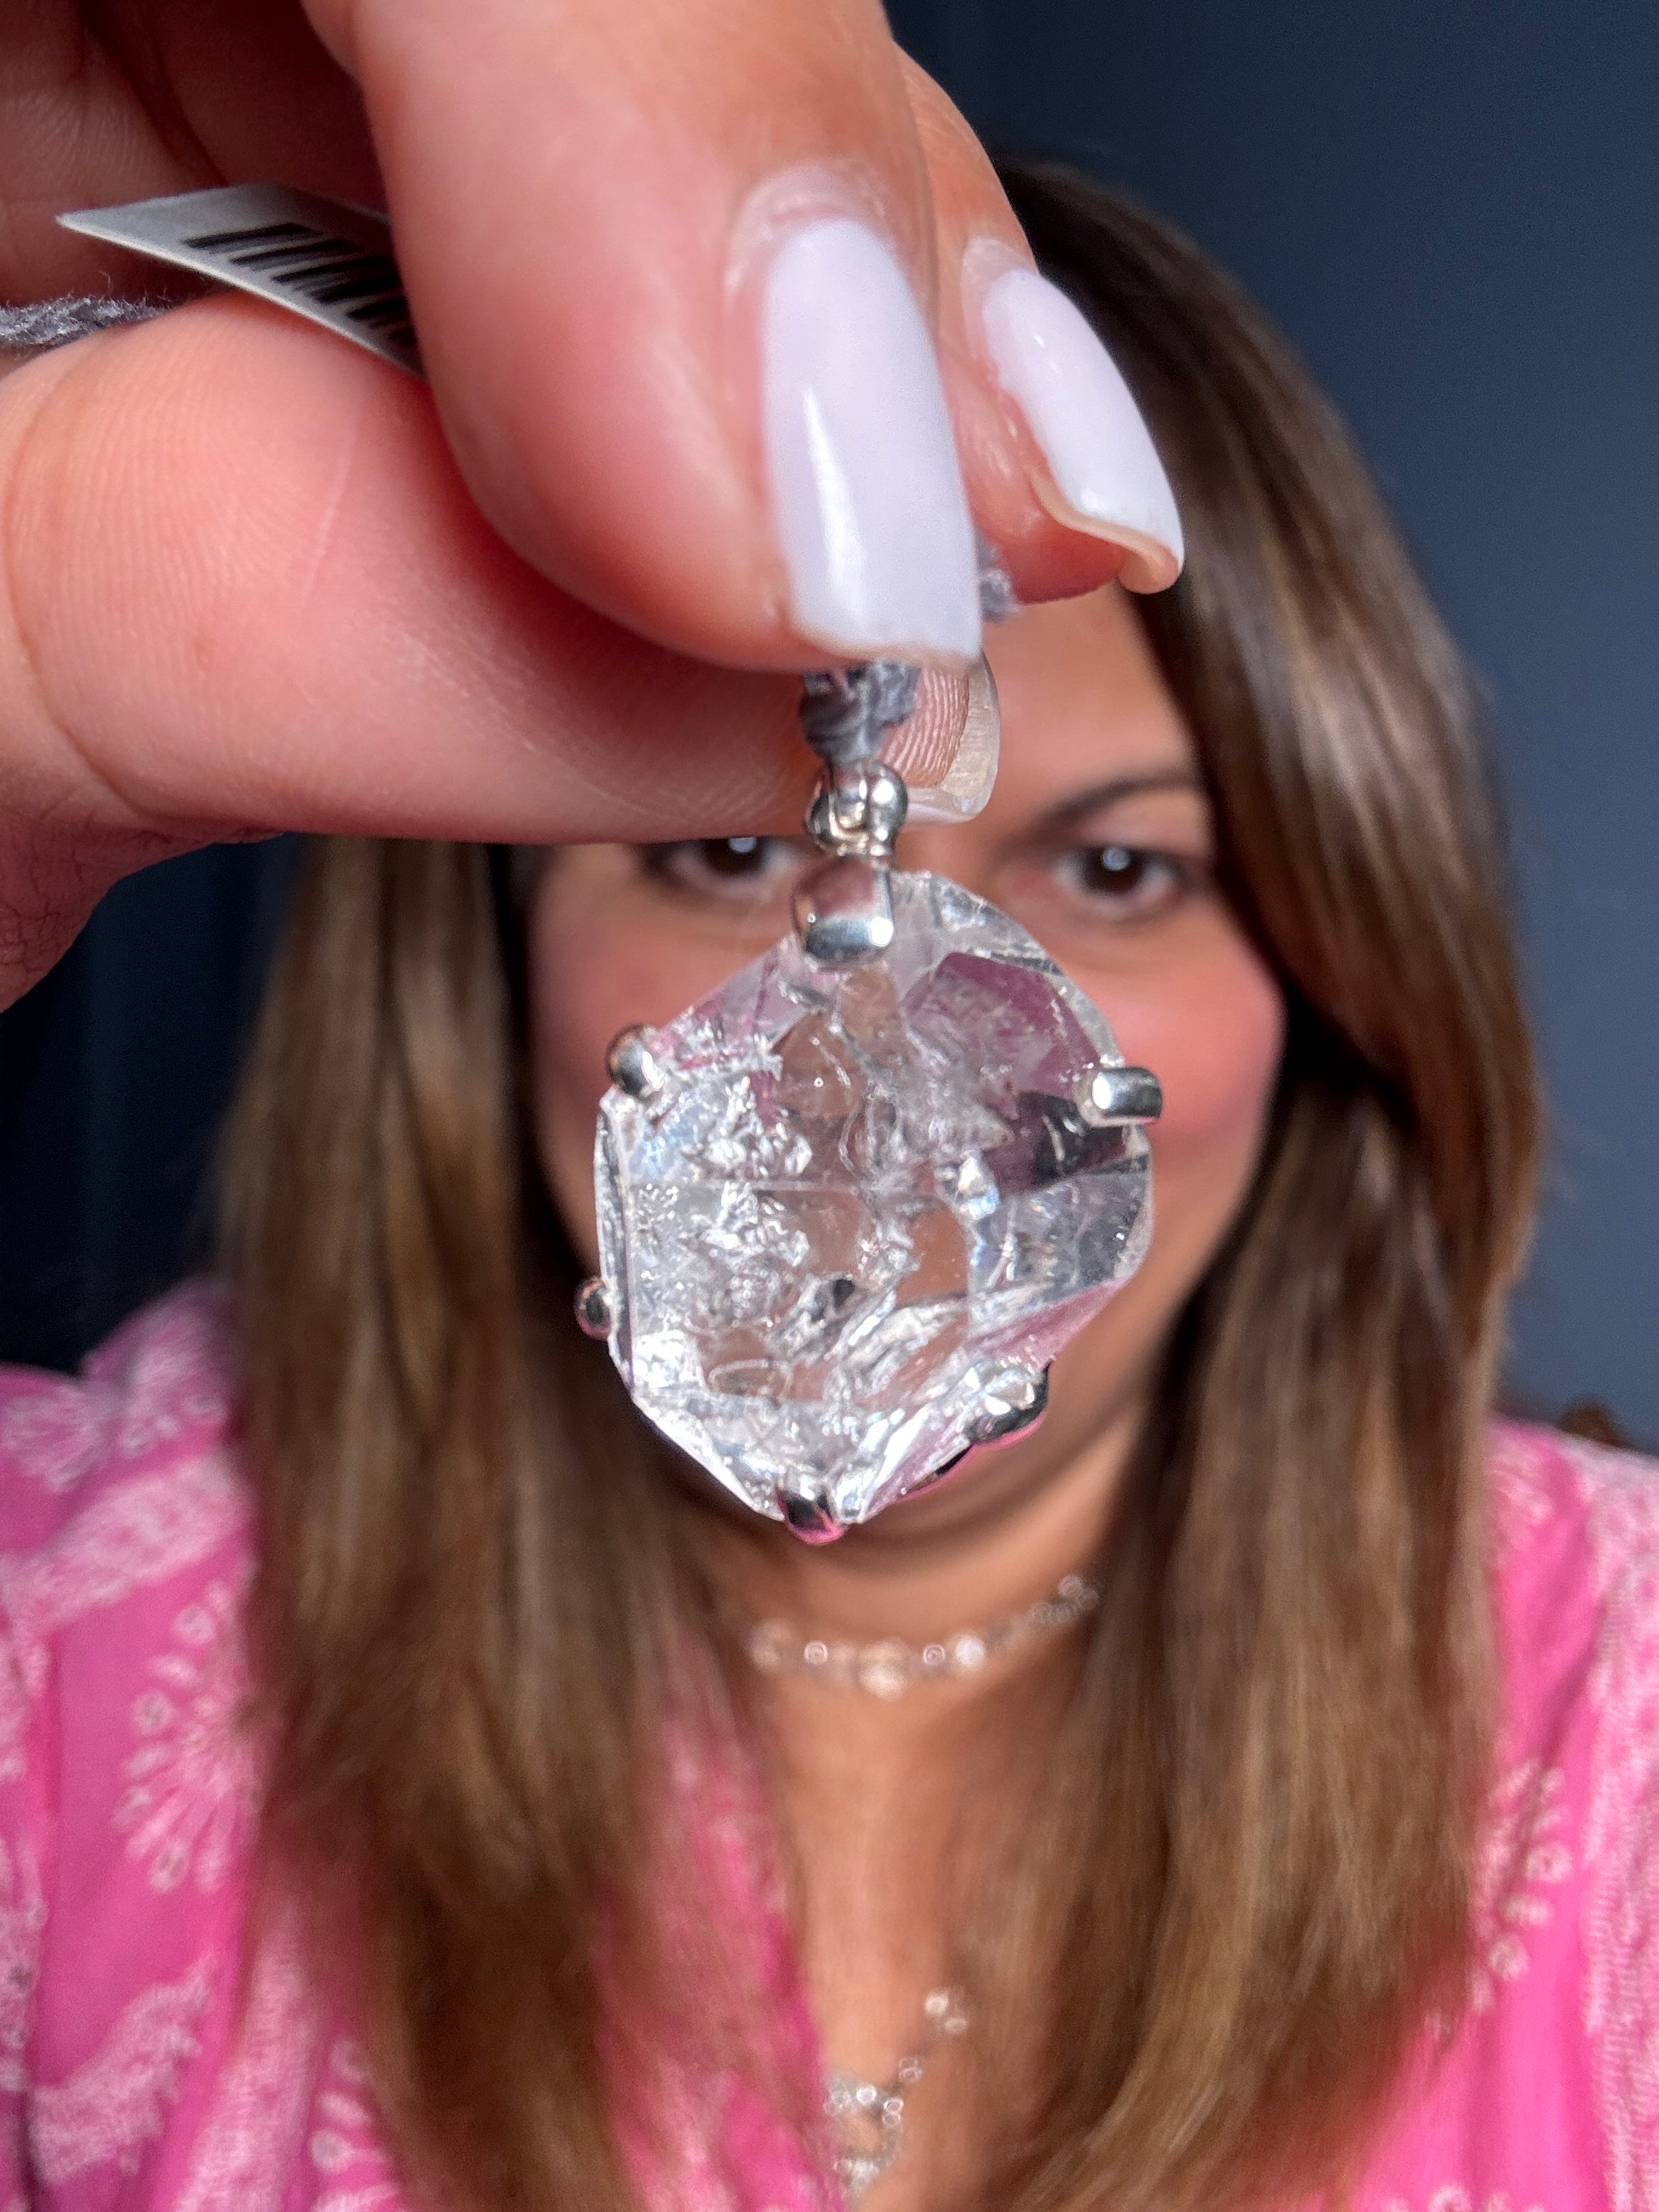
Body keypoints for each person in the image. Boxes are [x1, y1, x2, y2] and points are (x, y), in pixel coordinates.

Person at [1, 9, 1654, 2211]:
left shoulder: (1622, 1719)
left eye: (1120, 869)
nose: (905, 1088)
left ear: (1334, 996)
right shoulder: (69, 1630)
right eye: (718, 853)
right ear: (493, 968)